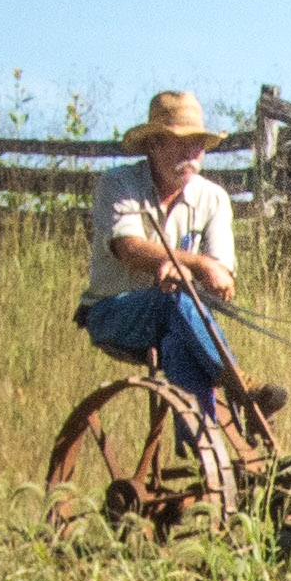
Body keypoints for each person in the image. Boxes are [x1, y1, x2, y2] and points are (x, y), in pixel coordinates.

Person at [81, 91, 251, 426]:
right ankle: (238, 382)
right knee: (169, 302)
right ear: (154, 144)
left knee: (178, 346)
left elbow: (222, 274)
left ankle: (202, 454)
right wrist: (197, 265)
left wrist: (200, 272)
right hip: (113, 312)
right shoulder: (118, 184)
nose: (191, 153)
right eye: (180, 143)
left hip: (178, 318)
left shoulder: (213, 198)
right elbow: (128, 247)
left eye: (197, 144)